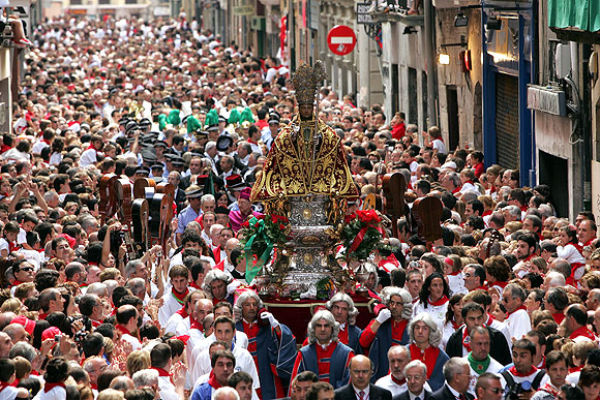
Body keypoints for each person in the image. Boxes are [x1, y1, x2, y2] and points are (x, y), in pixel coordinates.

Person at [250, 62, 357, 206]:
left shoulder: (326, 132)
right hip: (294, 187)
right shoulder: (287, 132)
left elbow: (334, 148)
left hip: (320, 185)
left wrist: (321, 140)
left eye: (308, 107)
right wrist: (291, 140)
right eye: (303, 107)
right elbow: (278, 152)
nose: (306, 110)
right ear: (299, 107)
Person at [233, 290, 297, 399]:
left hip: (267, 375)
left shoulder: (268, 326)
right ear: (241, 308)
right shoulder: (235, 328)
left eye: (255, 304)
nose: (252, 307)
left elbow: (285, 339)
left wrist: (276, 325)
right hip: (243, 374)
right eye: (247, 305)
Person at [291, 310, 354, 390]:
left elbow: (350, 384)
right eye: (319, 326)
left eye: (326, 325)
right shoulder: (304, 354)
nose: (323, 329)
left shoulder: (347, 353)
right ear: (313, 328)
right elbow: (294, 385)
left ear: (332, 328)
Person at [360, 287, 412, 381]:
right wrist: (378, 321)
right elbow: (363, 342)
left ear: (405, 306)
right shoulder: (381, 321)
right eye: (392, 303)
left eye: (398, 304)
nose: (394, 307)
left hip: (404, 376)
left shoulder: (412, 326)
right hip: (380, 374)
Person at [445, 302, 511, 365]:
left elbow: (506, 364)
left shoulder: (497, 337)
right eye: (472, 319)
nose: (476, 322)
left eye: (479, 318)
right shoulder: (455, 339)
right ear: (464, 320)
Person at [406, 313, 449, 391]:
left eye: (424, 328)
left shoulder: (442, 357)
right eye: (417, 327)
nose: (420, 331)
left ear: (431, 331)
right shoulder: (403, 353)